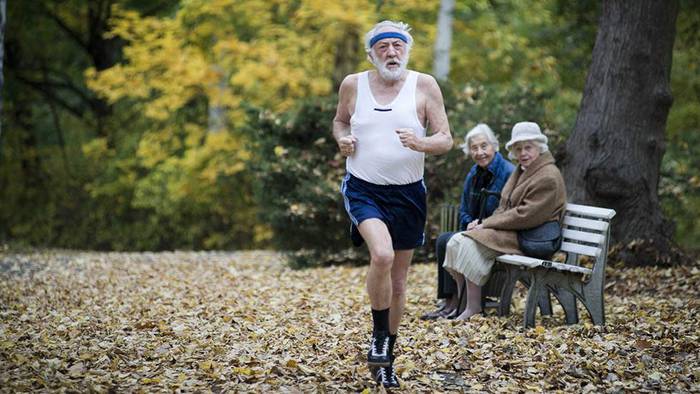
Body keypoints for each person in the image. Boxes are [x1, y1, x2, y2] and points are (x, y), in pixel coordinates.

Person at [333, 20, 453, 388]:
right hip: (363, 188)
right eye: (382, 46)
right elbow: (339, 122)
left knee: (399, 284)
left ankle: (386, 355)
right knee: (381, 256)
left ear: (406, 51)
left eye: (397, 46)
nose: (391, 52)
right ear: (371, 53)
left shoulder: (424, 85)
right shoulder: (353, 84)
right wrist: (343, 139)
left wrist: (421, 144)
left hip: (408, 194)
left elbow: (446, 139)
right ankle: (377, 336)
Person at [443, 121, 566, 320]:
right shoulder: (522, 170)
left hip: (532, 237)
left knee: (466, 243)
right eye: (518, 149)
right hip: (515, 232)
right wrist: (481, 224)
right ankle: (466, 304)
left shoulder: (548, 176)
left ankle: (473, 307)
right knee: (455, 242)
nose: (523, 153)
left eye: (528, 147)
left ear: (539, 148)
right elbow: (504, 205)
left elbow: (525, 215)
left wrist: (486, 224)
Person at [420, 123, 514, 320]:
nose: (480, 152)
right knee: (444, 239)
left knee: (451, 241)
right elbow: (464, 208)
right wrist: (469, 221)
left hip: (495, 232)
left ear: (494, 146)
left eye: (484, 146)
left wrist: (484, 223)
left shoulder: (507, 172)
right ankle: (450, 301)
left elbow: (508, 211)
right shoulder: (473, 174)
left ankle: (460, 302)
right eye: (474, 148)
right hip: (476, 228)